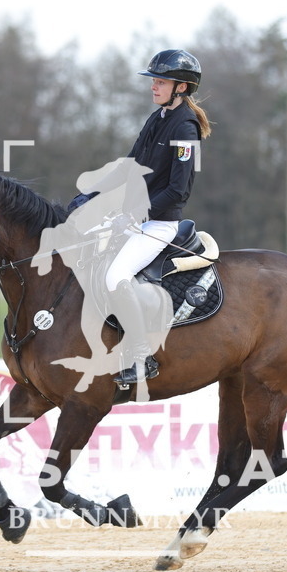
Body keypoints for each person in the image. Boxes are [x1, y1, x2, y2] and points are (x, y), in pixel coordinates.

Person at [105, 49, 213, 386]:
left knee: (116, 276)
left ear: (181, 87)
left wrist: (135, 213)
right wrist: (91, 194)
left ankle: (142, 358)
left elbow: (178, 192)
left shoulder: (186, 128)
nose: (153, 86)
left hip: (159, 224)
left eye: (161, 82)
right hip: (135, 219)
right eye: (153, 80)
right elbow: (129, 164)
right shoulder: (159, 117)